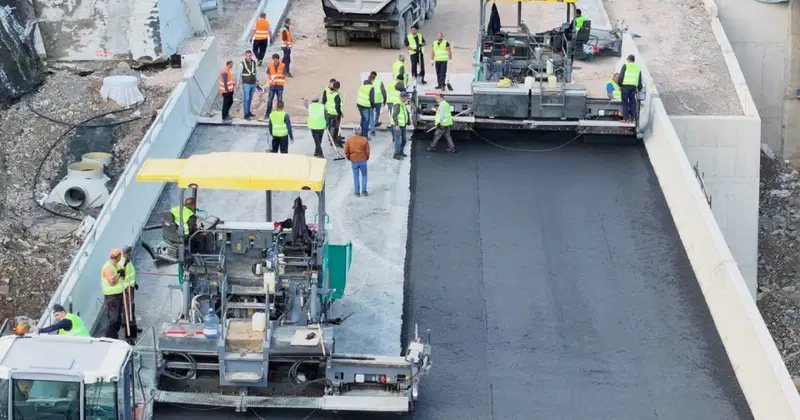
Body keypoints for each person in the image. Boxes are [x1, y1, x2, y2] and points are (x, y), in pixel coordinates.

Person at [101, 249, 125, 339]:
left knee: (117, 319)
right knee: (113, 320)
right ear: (118, 256)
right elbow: (112, 282)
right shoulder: (108, 267)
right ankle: (109, 339)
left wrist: (121, 270)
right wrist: (119, 274)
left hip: (117, 296)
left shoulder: (115, 265)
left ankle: (114, 337)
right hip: (111, 297)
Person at [119, 246, 140, 337]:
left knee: (131, 306)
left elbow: (130, 274)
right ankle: (129, 330)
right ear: (124, 254)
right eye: (128, 254)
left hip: (130, 287)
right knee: (129, 308)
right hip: (126, 288)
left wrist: (134, 283)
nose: (130, 255)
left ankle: (131, 325)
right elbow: (122, 275)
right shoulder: (122, 263)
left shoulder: (128, 261)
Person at [345, 127, 370, 197]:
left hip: (354, 161)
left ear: (353, 132)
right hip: (363, 160)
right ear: (360, 132)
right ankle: (364, 191)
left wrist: (349, 158)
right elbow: (367, 151)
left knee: (356, 176)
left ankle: (357, 192)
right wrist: (366, 158)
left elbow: (346, 152)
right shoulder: (364, 140)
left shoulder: (349, 140)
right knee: (364, 175)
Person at [617, 55, 643, 122]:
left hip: (625, 87)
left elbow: (621, 76)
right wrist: (639, 88)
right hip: (633, 88)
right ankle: (633, 118)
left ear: (628, 59)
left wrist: (619, 85)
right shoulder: (638, 68)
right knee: (633, 102)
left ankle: (626, 118)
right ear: (634, 60)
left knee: (625, 102)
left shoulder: (625, 65)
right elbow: (639, 79)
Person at [264, 53, 287, 118]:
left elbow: (285, 74)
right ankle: (267, 114)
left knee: (280, 101)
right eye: (274, 60)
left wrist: (277, 76)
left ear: (278, 59)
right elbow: (268, 73)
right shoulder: (270, 66)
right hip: (272, 86)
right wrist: (270, 77)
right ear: (273, 60)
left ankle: (280, 114)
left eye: (276, 60)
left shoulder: (283, 65)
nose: (275, 61)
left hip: (279, 86)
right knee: (269, 100)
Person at [392, 92, 411, 160]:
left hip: (403, 126)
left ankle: (400, 152)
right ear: (402, 97)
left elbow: (406, 114)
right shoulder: (398, 105)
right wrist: (397, 125)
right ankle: (396, 154)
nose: (407, 98)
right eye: (406, 97)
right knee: (398, 141)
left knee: (404, 140)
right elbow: (394, 115)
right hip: (398, 126)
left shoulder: (403, 104)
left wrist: (408, 121)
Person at [325, 80, 344, 147]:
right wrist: (340, 113)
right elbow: (337, 106)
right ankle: (333, 141)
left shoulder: (330, 93)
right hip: (335, 114)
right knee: (335, 128)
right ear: (338, 87)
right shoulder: (336, 95)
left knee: (332, 127)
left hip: (329, 112)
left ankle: (332, 140)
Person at [240, 50, 258, 120]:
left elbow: (255, 72)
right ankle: (246, 114)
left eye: (250, 55)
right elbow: (239, 74)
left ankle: (248, 111)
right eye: (247, 56)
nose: (248, 57)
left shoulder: (254, 62)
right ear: (245, 55)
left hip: (253, 83)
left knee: (250, 98)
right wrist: (238, 83)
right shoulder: (242, 63)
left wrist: (257, 80)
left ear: (251, 55)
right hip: (246, 83)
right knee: (246, 98)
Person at [368, 71, 386, 135]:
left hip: (371, 101)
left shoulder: (369, 81)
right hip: (378, 101)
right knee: (378, 112)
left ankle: (372, 130)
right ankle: (375, 122)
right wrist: (385, 99)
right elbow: (383, 91)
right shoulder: (379, 82)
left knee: (371, 115)